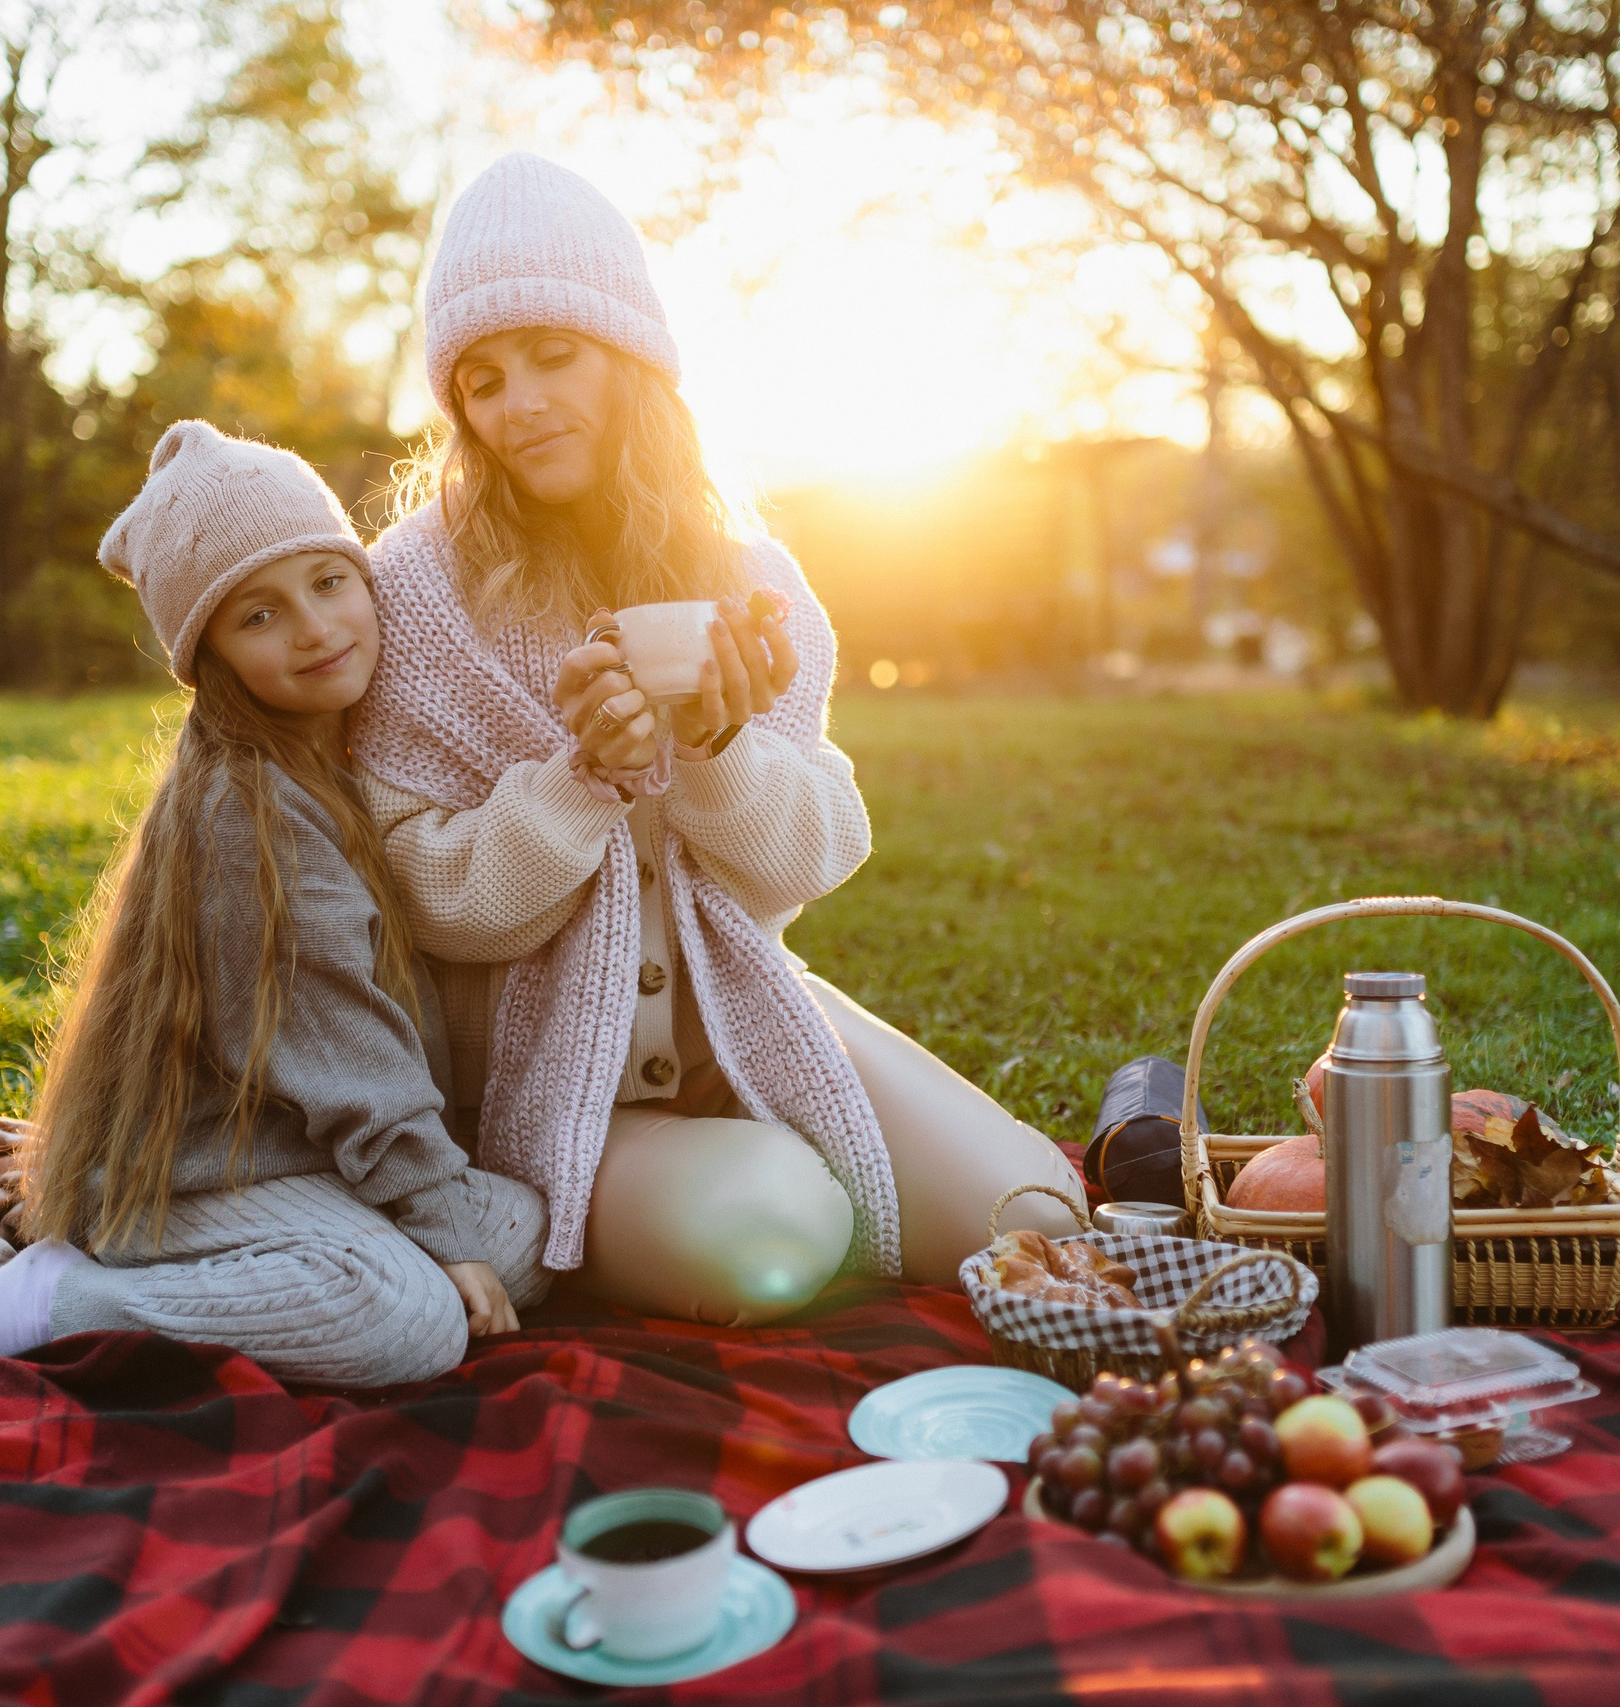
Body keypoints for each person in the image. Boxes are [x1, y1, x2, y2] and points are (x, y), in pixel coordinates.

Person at [352, 152, 1081, 1327]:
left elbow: (808, 861)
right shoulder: (413, 595)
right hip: (552, 1085)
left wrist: (720, 747)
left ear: (630, 356)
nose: (518, 402)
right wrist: (581, 780)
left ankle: (778, 1143)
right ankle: (647, 1196)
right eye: (482, 380)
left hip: (747, 1012)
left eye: (553, 354)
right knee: (778, 1231)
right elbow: (432, 907)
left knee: (1036, 1218)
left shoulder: (749, 578)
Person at [0, 422, 548, 1385]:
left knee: (527, 1232)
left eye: (329, 581)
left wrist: (446, 1218)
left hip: (306, 1152)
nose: (314, 627)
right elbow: (343, 1043)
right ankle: (60, 1299)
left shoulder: (344, 753)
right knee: (407, 1320)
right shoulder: (248, 807)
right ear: (212, 655)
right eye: (259, 615)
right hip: (195, 1172)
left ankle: (346, 1250)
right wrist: (435, 1221)